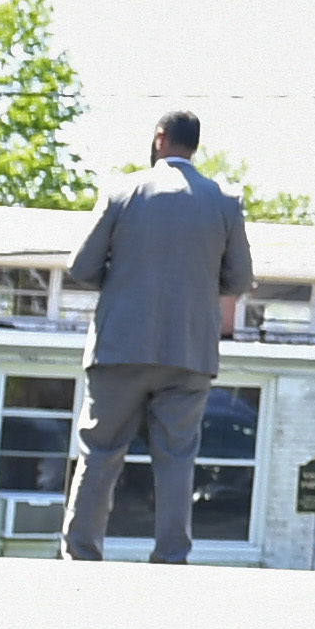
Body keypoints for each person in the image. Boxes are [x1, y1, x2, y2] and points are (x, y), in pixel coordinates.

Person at [59, 115, 252, 565]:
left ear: (159, 139)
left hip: (119, 347)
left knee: (100, 451)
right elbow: (239, 276)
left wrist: (122, 278)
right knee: (177, 457)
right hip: (188, 350)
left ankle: (81, 553)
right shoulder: (224, 201)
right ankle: (170, 556)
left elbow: (81, 267)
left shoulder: (122, 192)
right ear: (194, 147)